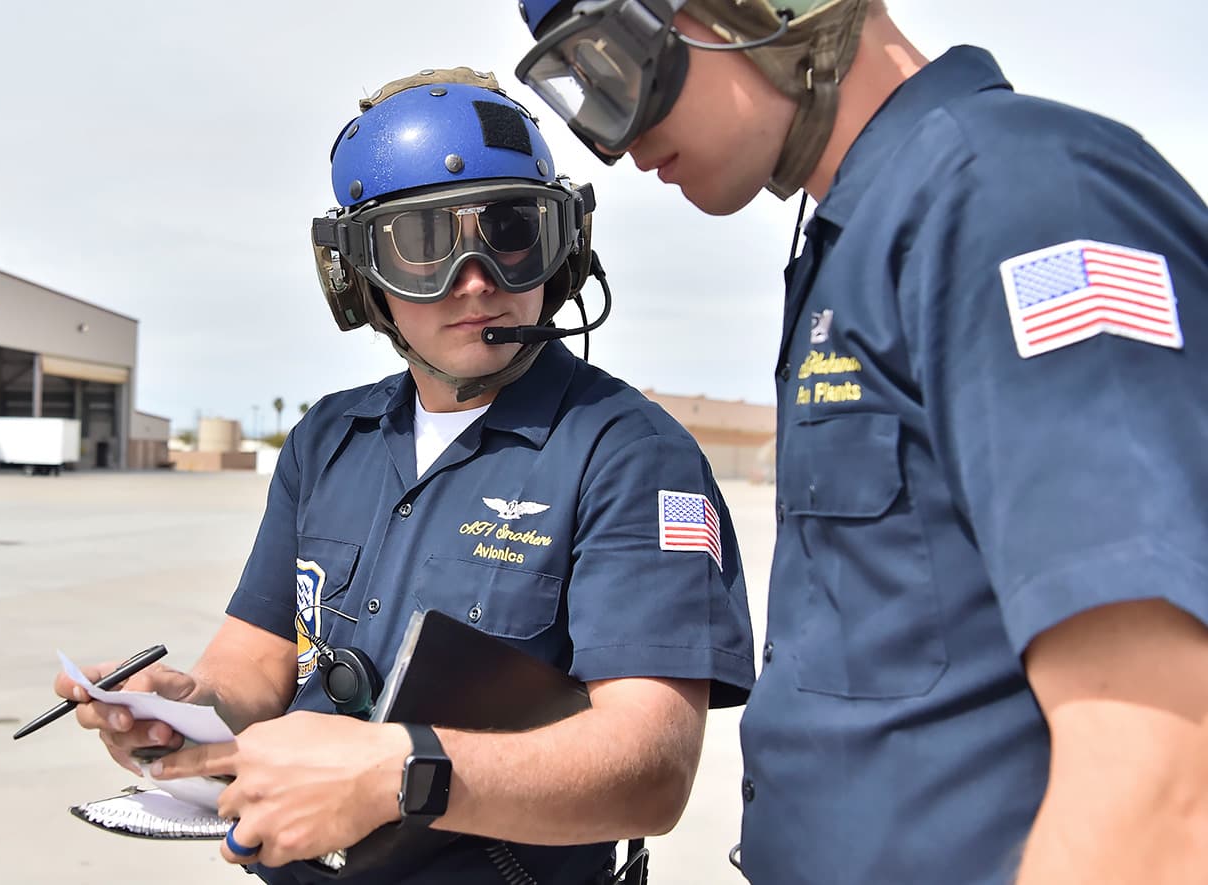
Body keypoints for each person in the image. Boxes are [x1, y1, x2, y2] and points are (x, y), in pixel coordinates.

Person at [513, 2, 1208, 884]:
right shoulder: (864, 239)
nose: (616, 142)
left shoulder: (1016, 198)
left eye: (615, 64)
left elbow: (1160, 767)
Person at [53, 67, 755, 885]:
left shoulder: (629, 453)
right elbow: (259, 659)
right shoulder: (328, 438)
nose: (476, 279)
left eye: (510, 230)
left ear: (563, 246)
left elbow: (649, 770)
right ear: (359, 275)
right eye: (422, 243)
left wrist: (395, 773)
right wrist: (186, 704)